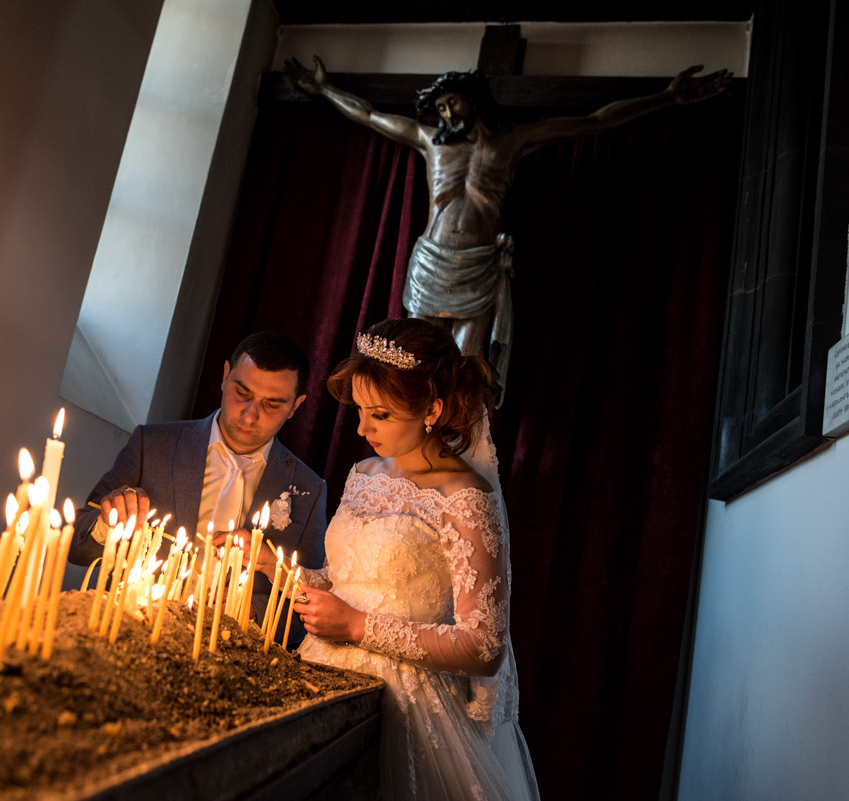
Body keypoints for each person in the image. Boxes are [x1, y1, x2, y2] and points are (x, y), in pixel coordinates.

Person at [284, 57, 731, 405]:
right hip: (431, 265)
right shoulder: (428, 142)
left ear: (474, 100)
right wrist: (323, 88)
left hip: (479, 265)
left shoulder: (512, 141)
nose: (445, 112)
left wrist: (668, 98)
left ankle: (457, 458)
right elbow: (367, 114)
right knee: (410, 369)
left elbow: (596, 121)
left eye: (452, 102)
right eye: (439, 107)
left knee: (466, 373)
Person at [287, 318, 539, 800]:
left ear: (432, 408)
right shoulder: (362, 472)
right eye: (360, 410)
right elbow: (345, 582)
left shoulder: (465, 496)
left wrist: (359, 626)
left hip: (407, 707)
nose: (361, 428)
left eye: (379, 414)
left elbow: (485, 648)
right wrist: (278, 570)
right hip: (320, 675)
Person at [68, 331, 328, 647]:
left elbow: (311, 602)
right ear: (224, 377)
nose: (250, 414)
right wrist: (107, 522)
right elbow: (77, 547)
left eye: (271, 404)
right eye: (242, 393)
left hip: (230, 659)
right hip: (128, 636)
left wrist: (249, 612)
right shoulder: (153, 445)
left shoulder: (308, 490)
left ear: (295, 406)